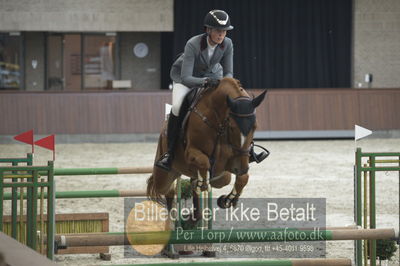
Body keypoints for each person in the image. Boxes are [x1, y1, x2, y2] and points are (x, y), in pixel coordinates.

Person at [156, 10, 267, 171]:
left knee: (236, 104)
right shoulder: (193, 44)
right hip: (186, 79)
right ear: (208, 30)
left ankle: (248, 150)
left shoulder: (227, 43)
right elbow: (187, 77)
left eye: (224, 31)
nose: (221, 34)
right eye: (218, 30)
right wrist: (206, 81)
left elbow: (229, 72)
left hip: (214, 77)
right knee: (178, 106)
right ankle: (170, 152)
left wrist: (225, 84)